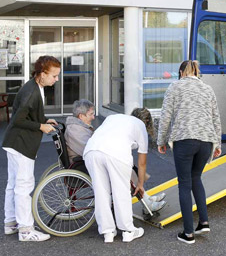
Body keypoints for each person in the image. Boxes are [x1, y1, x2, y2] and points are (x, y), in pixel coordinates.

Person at [158, 60, 221, 244]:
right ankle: (204, 222)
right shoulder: (207, 89)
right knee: (196, 179)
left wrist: (161, 140)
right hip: (206, 141)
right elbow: (216, 117)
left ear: (181, 72)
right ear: (196, 71)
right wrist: (217, 144)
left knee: (184, 184)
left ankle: (188, 233)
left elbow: (166, 115)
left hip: (184, 140)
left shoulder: (175, 87)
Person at [65, 99, 166, 214]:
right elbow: (90, 149)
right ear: (81, 116)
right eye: (91, 114)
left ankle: (146, 198)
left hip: (87, 160)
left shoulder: (78, 127)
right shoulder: (76, 130)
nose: (94, 117)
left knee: (129, 166)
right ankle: (146, 203)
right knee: (126, 168)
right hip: (84, 164)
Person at [3, 55, 60, 242]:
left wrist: (43, 120)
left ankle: (11, 223)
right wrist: (40, 126)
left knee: (13, 185)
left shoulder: (35, 87)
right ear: (42, 74)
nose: (56, 79)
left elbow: (28, 114)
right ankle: (26, 230)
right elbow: (18, 119)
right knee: (24, 186)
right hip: (22, 144)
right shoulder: (32, 92)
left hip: (13, 142)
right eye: (54, 76)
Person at [83, 108, 153, 243]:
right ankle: (128, 231)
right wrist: (140, 185)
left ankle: (107, 232)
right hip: (116, 154)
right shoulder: (141, 126)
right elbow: (142, 162)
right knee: (121, 191)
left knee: (101, 192)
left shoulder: (113, 118)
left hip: (91, 151)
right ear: (146, 121)